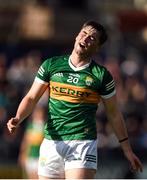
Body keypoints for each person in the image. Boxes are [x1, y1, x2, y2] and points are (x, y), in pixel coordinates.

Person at [7, 20, 143, 179]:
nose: (85, 39)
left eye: (92, 38)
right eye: (84, 33)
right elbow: (31, 97)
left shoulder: (101, 75)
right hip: (52, 142)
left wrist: (127, 150)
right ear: (77, 36)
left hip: (82, 144)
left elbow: (114, 113)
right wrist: (18, 117)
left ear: (98, 47)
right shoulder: (51, 65)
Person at [18, 105, 45, 179]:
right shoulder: (30, 126)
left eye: (40, 113)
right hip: (30, 155)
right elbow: (26, 141)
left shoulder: (45, 127)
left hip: (40, 157)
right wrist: (23, 154)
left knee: (38, 176)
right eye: (37, 113)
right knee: (30, 177)